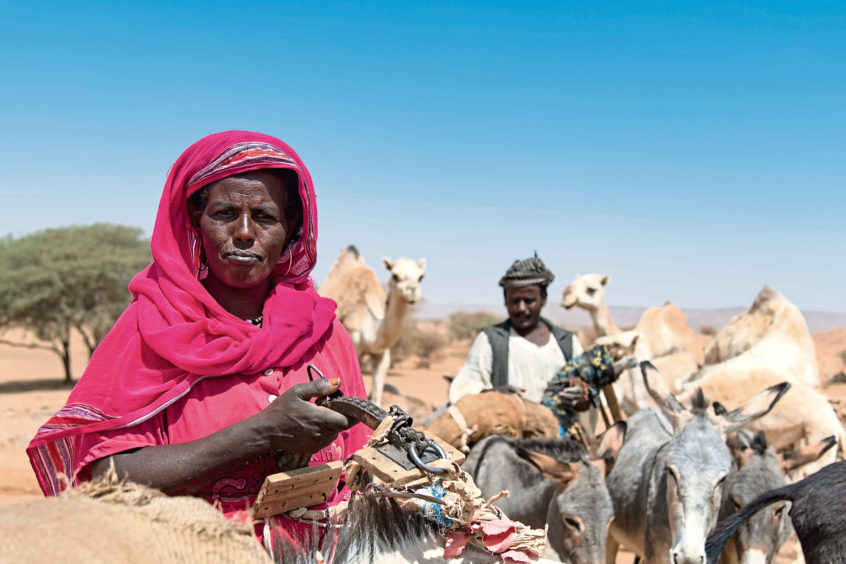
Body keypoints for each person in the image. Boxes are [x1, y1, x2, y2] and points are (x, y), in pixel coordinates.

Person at [26, 131, 370, 544]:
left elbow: (360, 471)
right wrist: (262, 433)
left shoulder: (323, 331)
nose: (244, 232)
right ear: (195, 220)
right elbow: (109, 476)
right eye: (225, 214)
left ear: (291, 228)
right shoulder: (151, 327)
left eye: (265, 217)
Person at [448, 254, 590, 411]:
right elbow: (464, 389)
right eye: (515, 301)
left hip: (562, 434)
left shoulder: (567, 342)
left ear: (543, 298)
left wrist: (582, 395)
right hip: (506, 434)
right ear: (505, 300)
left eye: (529, 301)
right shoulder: (490, 340)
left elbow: (590, 392)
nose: (521, 308)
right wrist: (493, 395)